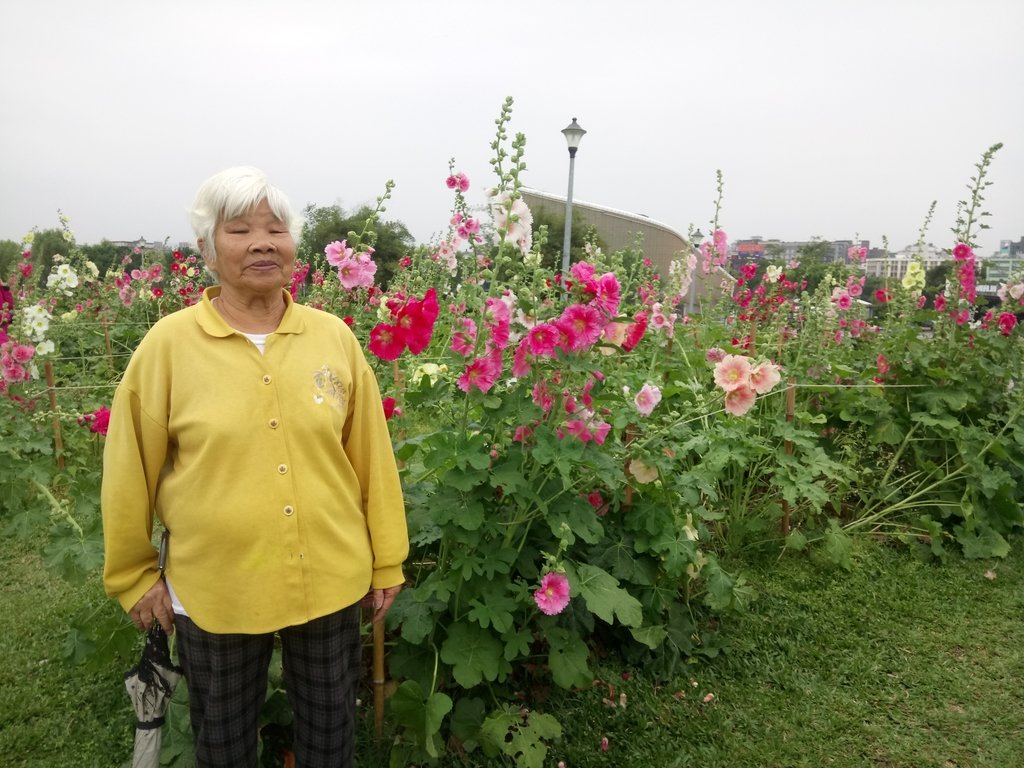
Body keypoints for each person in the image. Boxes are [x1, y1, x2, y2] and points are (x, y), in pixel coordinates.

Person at [101, 166, 409, 768]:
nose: (263, 242)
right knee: (223, 740)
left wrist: (387, 558)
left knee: (329, 733)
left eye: (276, 228)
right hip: (216, 585)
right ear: (207, 252)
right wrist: (134, 576)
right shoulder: (168, 347)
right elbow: (128, 467)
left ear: (294, 245)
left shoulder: (333, 339)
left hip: (330, 575)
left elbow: (372, 456)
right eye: (240, 230)